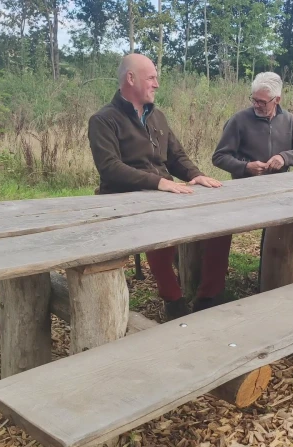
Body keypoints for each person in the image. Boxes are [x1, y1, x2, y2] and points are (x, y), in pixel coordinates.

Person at [88, 53, 231, 321]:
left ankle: (208, 297)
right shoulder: (103, 120)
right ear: (131, 79)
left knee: (221, 221)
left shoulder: (158, 117)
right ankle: (173, 299)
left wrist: (195, 174)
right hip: (125, 199)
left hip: (164, 194)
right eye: (152, 77)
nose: (157, 84)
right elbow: (109, 168)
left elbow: (176, 156)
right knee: (159, 224)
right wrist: (158, 182)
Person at [212, 71, 293, 293]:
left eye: (262, 102)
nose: (256, 105)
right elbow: (219, 157)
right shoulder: (239, 120)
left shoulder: (288, 120)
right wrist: (246, 167)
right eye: (254, 99)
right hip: (246, 192)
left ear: (277, 100)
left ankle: (280, 278)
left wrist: (285, 157)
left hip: (281, 193)